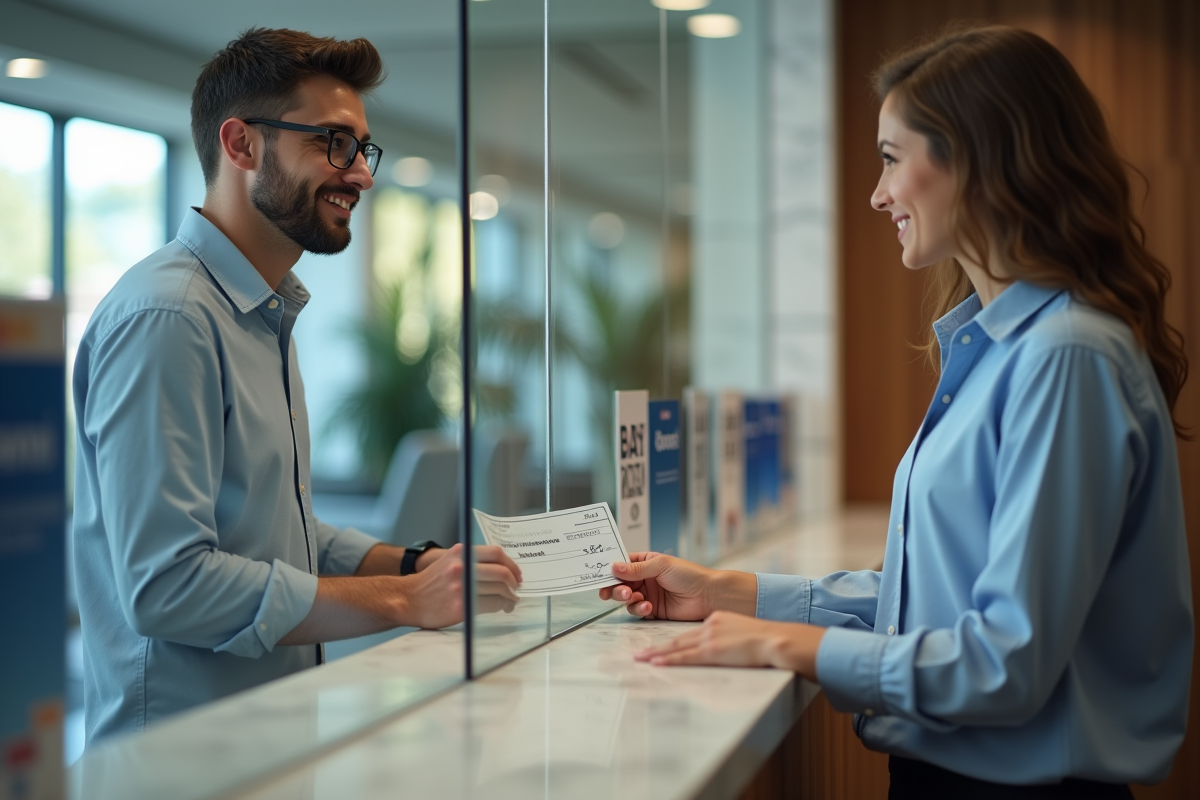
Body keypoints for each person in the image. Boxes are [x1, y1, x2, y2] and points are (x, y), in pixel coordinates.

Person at [602, 26, 1192, 798]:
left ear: (976, 159)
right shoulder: (1003, 350)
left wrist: (785, 645)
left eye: (889, 158)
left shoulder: (1065, 358)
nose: (878, 194)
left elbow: (1005, 661)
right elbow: (938, 602)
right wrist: (730, 592)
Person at [72, 28, 521, 745]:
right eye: (333, 143)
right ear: (242, 145)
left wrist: (418, 563)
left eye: (361, 148)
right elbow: (166, 587)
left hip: (267, 739)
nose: (362, 174)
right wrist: (405, 598)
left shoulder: (264, 309)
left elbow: (280, 531)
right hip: (178, 765)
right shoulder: (170, 317)